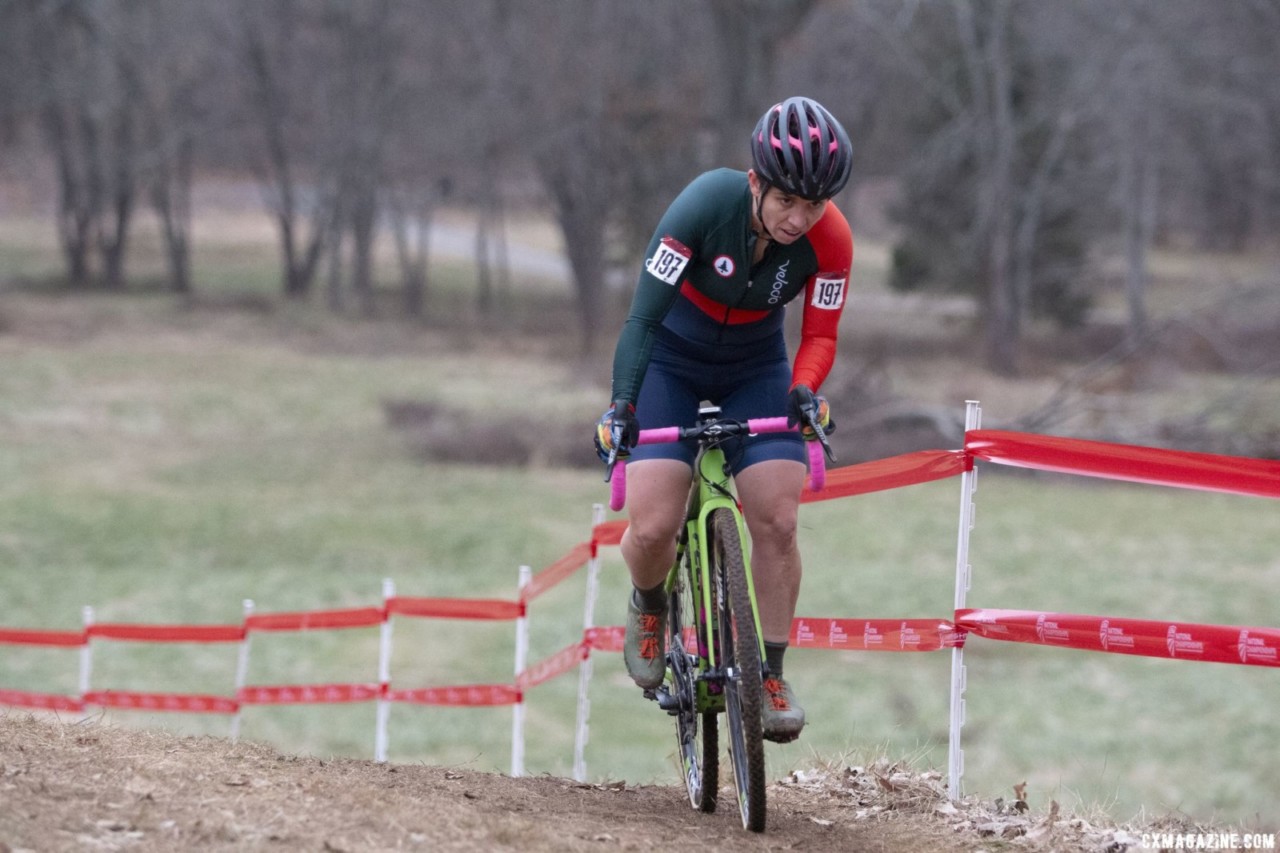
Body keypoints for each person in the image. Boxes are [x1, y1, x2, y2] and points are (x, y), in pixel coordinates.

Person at [595, 96, 854, 743]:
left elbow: (820, 335)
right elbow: (643, 319)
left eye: (814, 204)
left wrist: (804, 388)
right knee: (652, 525)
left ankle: (768, 673)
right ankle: (650, 602)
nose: (800, 218)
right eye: (787, 200)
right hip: (671, 364)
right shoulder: (703, 206)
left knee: (778, 518)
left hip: (754, 370)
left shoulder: (832, 240)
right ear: (756, 181)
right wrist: (623, 405)